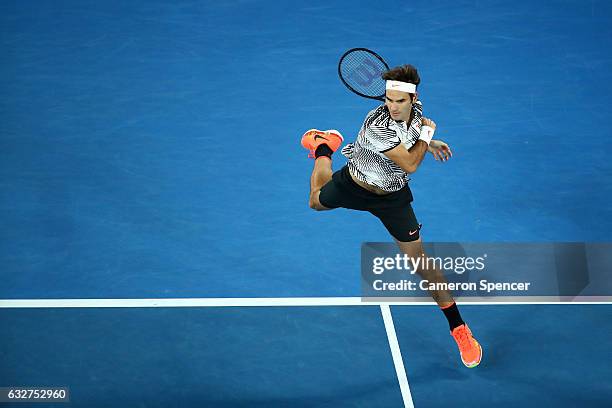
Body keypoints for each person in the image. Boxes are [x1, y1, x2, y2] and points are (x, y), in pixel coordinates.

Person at [301, 64, 482, 368]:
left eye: (400, 101)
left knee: (421, 263)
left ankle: (459, 328)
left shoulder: (417, 111)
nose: (393, 106)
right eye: (388, 99)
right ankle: (324, 146)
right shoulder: (377, 125)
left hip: (392, 199)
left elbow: (412, 140)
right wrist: (428, 134)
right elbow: (410, 163)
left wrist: (428, 140)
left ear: (413, 99)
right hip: (355, 184)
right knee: (316, 202)